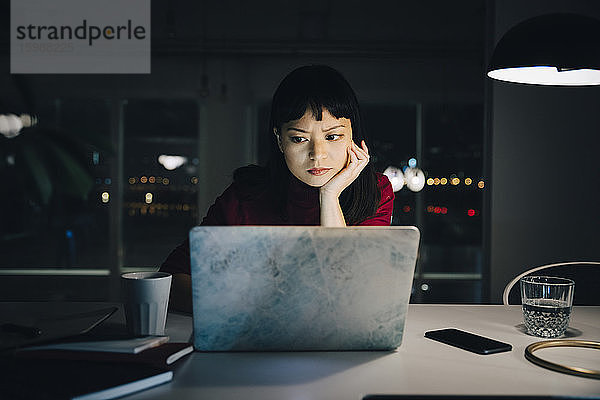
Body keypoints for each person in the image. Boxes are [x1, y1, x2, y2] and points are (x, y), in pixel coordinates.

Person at [160, 65, 395, 312]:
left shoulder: (376, 191)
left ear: (352, 137)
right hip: (255, 338)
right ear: (280, 140)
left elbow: (346, 298)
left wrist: (329, 195)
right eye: (299, 138)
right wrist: (249, 306)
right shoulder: (246, 195)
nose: (317, 154)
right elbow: (171, 279)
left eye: (332, 136)